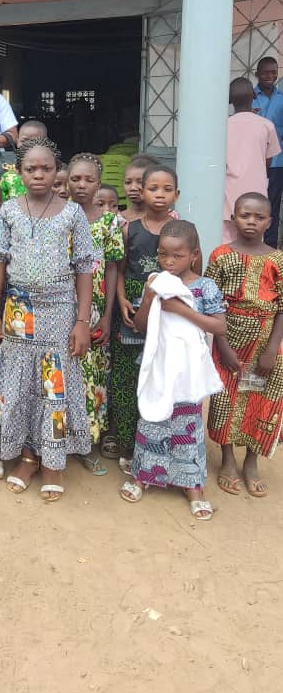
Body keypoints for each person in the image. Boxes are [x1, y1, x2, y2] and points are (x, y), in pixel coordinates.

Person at [0, 137, 94, 501]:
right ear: (19, 172)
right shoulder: (9, 211)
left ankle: (53, 463)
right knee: (20, 385)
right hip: (18, 309)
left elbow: (84, 268)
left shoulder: (72, 214)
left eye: (46, 168)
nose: (38, 175)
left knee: (53, 385)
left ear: (56, 171)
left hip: (59, 310)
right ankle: (29, 456)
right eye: (30, 168)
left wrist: (82, 321)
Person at [120, 220, 225, 519]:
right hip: (159, 367)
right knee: (152, 420)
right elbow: (140, 325)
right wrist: (149, 297)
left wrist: (182, 310)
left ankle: (193, 485)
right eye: (163, 254)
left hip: (188, 372)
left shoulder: (204, 287)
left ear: (194, 255)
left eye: (177, 256)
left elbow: (219, 326)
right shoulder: (156, 282)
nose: (168, 261)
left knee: (186, 428)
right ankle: (142, 476)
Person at [206, 192, 283, 497]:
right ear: (233, 218)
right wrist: (222, 346)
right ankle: (227, 458)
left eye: (259, 217)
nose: (251, 221)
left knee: (259, 398)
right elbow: (210, 303)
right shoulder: (220, 255)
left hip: (265, 343)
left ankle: (251, 461)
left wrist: (271, 349)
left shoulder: (278, 260)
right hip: (228, 339)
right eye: (245, 215)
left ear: (269, 222)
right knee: (225, 398)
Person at [112, 165, 179, 464]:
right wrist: (122, 299)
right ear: (142, 191)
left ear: (177, 195)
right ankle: (127, 443)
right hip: (132, 309)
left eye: (167, 189)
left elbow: (193, 274)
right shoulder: (129, 229)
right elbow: (120, 270)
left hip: (168, 309)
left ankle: (155, 443)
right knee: (127, 376)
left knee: (160, 377)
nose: (160, 195)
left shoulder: (183, 230)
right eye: (153, 188)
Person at [67, 153, 124, 472]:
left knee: (93, 374)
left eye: (89, 180)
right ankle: (60, 436)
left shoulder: (109, 222)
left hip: (97, 306)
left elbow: (113, 266)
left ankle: (86, 440)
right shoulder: (60, 216)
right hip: (63, 305)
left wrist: (106, 315)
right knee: (65, 369)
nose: (82, 185)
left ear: (98, 183)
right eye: (75, 179)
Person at [224, 78, 280, 243]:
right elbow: (269, 160)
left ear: (230, 100)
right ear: (254, 95)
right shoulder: (266, 125)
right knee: (255, 237)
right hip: (257, 191)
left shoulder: (223, 126)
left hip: (229, 190)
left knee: (227, 239)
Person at [252, 56, 283, 246]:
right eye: (265, 73)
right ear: (257, 74)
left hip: (277, 162)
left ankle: (269, 247)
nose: (270, 76)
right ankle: (251, 243)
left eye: (273, 72)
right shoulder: (249, 97)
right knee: (252, 203)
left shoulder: (282, 98)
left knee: (273, 204)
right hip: (254, 161)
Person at [0, 120, 48, 201]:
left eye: (34, 141)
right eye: (24, 141)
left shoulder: (53, 175)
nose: (28, 145)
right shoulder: (8, 177)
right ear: (17, 142)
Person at [122, 154, 160, 224]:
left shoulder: (169, 218)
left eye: (140, 182)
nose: (133, 188)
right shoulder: (115, 220)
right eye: (128, 182)